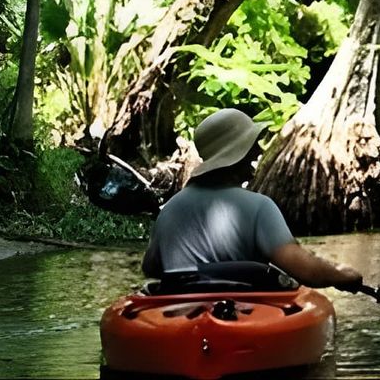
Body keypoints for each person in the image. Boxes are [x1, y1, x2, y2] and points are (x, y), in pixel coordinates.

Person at [142, 108, 362, 291]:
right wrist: (342, 275)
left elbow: (151, 268)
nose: (258, 150)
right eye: (251, 145)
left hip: (178, 318)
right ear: (237, 155)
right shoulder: (259, 206)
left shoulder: (169, 210)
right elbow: (306, 272)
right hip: (243, 319)